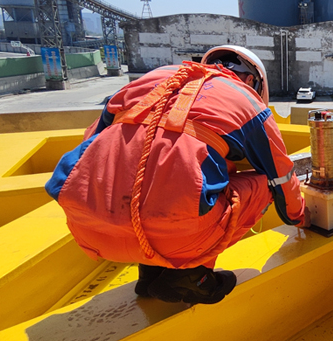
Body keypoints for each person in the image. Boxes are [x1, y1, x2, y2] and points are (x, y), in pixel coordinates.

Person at [45, 45, 309, 304]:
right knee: (262, 183)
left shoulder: (151, 79)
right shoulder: (247, 102)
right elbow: (281, 178)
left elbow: (92, 146)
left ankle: (149, 273)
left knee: (160, 166)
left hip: (90, 230)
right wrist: (299, 217)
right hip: (176, 238)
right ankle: (192, 276)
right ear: (251, 80)